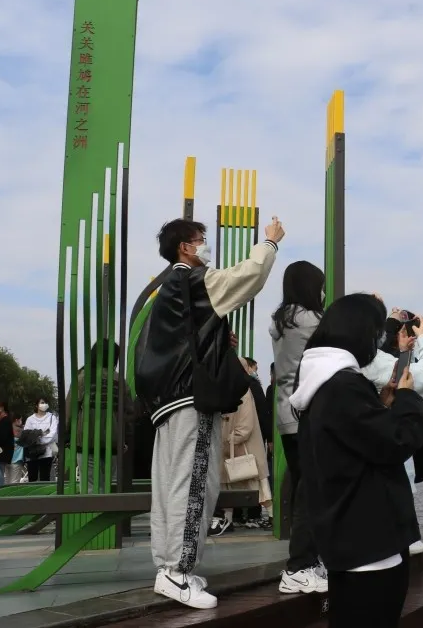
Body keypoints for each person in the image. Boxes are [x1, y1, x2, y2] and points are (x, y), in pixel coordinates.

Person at [134, 215, 283, 610]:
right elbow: (247, 277)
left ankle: (168, 568)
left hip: (168, 403)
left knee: (169, 488)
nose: (205, 245)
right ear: (185, 247)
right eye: (201, 239)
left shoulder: (168, 289)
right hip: (190, 401)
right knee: (195, 483)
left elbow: (182, 340)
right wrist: (269, 244)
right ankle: (179, 573)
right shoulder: (193, 280)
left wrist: (217, 334)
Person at [290, 293, 423, 628]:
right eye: (374, 335)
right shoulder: (343, 387)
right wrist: (408, 399)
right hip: (371, 548)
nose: (375, 345)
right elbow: (396, 442)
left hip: (347, 544)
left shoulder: (320, 384)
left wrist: (380, 405)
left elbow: (355, 442)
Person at [361, 307, 423, 556]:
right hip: (390, 425)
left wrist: (403, 351)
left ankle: (404, 534)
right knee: (400, 478)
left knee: (401, 480)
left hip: (382, 427)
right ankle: (404, 537)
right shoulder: (371, 358)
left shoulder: (352, 356)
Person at [269, 260, 328, 595]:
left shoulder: (281, 320)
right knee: (311, 491)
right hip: (306, 414)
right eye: (319, 286)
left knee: (304, 486)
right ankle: (299, 566)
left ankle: (308, 560)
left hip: (285, 414)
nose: (323, 292)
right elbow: (345, 339)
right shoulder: (310, 319)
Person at [212, 357, 273, 535]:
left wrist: (230, 438)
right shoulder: (233, 388)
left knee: (256, 487)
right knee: (230, 486)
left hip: (241, 447)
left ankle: (272, 517)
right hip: (232, 448)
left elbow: (246, 424)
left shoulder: (243, 390)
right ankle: (227, 521)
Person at [65, 340, 133, 493]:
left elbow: (70, 408)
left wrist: (66, 433)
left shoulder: (83, 377)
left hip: (86, 441)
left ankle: (93, 515)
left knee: (90, 488)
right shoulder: (119, 381)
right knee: (109, 486)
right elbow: (129, 412)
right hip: (113, 442)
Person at [22, 398, 58, 482]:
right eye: (42, 402)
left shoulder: (52, 417)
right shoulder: (30, 419)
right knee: (32, 478)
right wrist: (40, 435)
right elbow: (27, 435)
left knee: (45, 478)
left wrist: (39, 440)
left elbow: (52, 434)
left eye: (46, 402)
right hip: (32, 453)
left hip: (47, 452)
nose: (44, 404)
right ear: (36, 405)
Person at [0, 401, 17, 483]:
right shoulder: (1, 420)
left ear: (2, 407)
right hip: (0, 453)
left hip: (1, 453)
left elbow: (2, 438)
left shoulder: (5, 421)